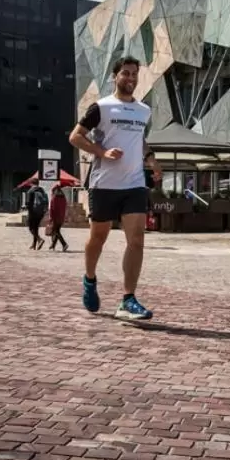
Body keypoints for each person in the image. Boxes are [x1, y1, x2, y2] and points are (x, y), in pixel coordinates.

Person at [69, 56, 162, 321]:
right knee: (98, 238)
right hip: (104, 184)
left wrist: (151, 160)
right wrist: (102, 151)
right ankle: (89, 279)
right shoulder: (101, 107)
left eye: (134, 74)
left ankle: (128, 299)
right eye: (126, 73)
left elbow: (140, 140)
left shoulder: (143, 111)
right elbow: (75, 136)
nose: (130, 78)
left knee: (136, 240)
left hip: (134, 184)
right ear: (114, 76)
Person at [25, 180, 48, 249]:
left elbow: (28, 203)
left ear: (31, 183)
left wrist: (26, 207)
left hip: (33, 212)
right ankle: (34, 245)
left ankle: (39, 239)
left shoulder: (30, 191)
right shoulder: (42, 190)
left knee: (31, 228)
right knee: (36, 228)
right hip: (41, 212)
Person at [47, 183, 69, 251]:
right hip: (61, 217)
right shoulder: (63, 198)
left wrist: (51, 217)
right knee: (57, 230)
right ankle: (53, 245)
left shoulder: (54, 198)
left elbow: (52, 209)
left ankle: (64, 244)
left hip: (55, 217)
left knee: (56, 231)